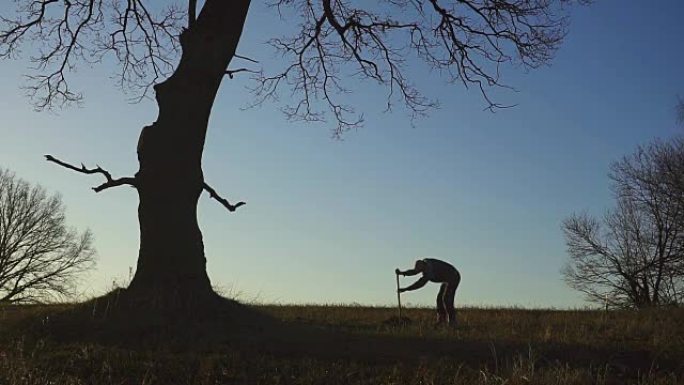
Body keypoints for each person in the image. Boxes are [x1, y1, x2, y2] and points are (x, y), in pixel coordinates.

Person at [396, 258, 461, 326]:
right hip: (446, 279)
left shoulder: (429, 271)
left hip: (454, 277)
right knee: (439, 299)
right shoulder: (425, 264)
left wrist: (406, 289)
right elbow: (414, 272)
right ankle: (442, 319)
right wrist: (402, 273)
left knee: (446, 299)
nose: (421, 272)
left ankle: (453, 321)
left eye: (422, 271)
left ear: (424, 267)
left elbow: (420, 284)